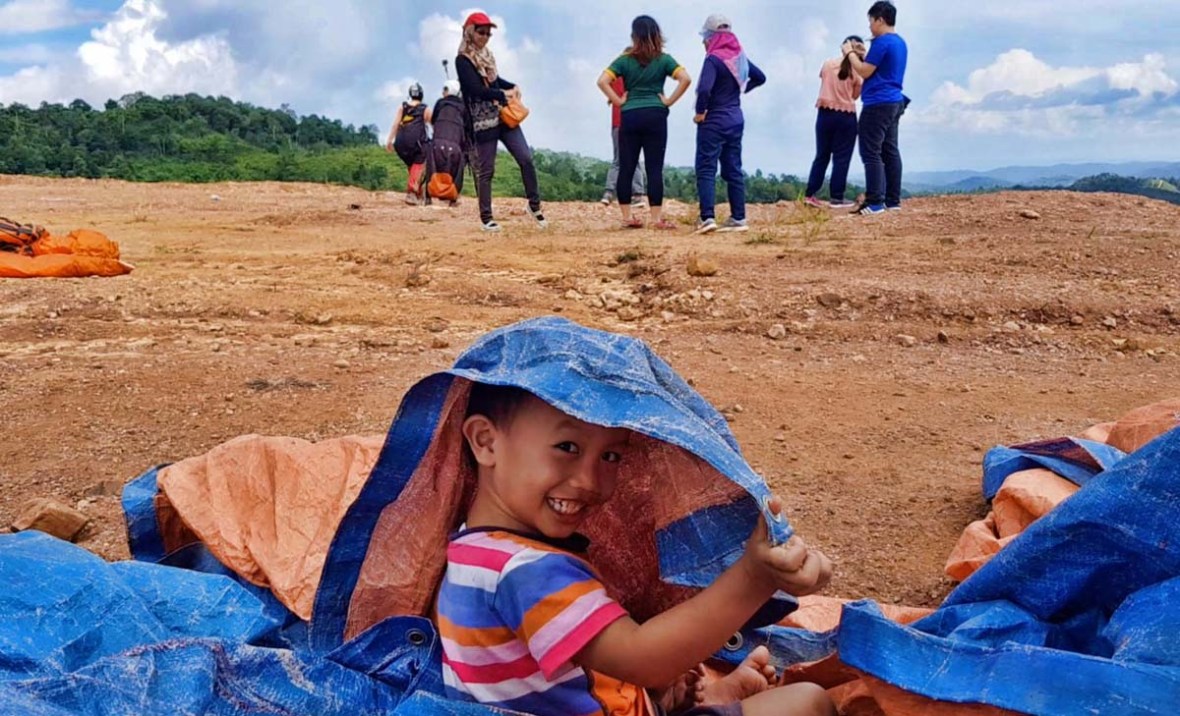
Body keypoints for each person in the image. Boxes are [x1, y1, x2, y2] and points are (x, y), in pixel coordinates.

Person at [437, 382, 838, 716]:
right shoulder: (528, 571)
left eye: (609, 455)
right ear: (485, 442)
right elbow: (643, 659)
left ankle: (689, 700)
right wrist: (756, 576)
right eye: (567, 447)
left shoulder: (473, 544)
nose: (590, 480)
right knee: (808, 703)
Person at [597, 16, 692, 230]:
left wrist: (619, 101)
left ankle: (627, 217)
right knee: (654, 168)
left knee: (627, 167)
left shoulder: (624, 60)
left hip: (629, 116)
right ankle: (657, 219)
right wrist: (668, 101)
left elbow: (602, 81)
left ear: (634, 36)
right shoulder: (664, 59)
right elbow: (685, 78)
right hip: (656, 116)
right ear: (657, 34)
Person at [455, 11, 546, 233]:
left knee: (525, 158)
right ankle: (486, 217)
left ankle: (534, 205)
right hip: (483, 120)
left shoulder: (487, 56)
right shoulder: (463, 59)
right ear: (470, 32)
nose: (485, 36)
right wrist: (500, 94)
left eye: (488, 33)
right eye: (481, 32)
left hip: (503, 116)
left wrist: (511, 86)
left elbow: (495, 81)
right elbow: (472, 89)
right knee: (486, 170)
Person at [692, 14, 766, 235]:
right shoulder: (739, 58)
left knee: (706, 168)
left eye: (705, 37)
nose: (704, 42)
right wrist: (741, 90)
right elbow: (760, 77)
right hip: (735, 118)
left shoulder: (713, 59)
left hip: (713, 119)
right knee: (733, 169)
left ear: (711, 36)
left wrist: (699, 112)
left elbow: (704, 89)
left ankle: (707, 217)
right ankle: (738, 217)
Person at [844, 1, 908, 215]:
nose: (870, 26)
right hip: (894, 101)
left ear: (880, 19)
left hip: (877, 103)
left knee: (870, 151)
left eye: (871, 21)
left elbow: (864, 71)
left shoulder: (882, 42)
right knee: (890, 150)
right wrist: (863, 53)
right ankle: (893, 200)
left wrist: (849, 53)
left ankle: (875, 202)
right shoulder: (899, 42)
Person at [803, 36, 865, 209]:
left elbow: (823, 79)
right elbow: (854, 96)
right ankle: (837, 197)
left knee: (821, 156)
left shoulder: (828, 64)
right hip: (846, 117)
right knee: (841, 158)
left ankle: (810, 194)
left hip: (824, 114)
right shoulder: (858, 71)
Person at [603, 71, 648, 209]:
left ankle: (608, 193)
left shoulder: (614, 76)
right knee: (634, 160)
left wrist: (612, 98)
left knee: (617, 159)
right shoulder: (640, 75)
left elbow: (605, 87)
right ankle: (638, 194)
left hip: (618, 122)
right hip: (635, 121)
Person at [385, 83, 432, 205]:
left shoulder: (403, 107)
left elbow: (395, 124)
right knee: (419, 161)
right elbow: (433, 123)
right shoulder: (425, 109)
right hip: (416, 143)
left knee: (413, 167)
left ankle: (418, 193)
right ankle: (412, 192)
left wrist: (389, 140)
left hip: (400, 144)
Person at [427, 80, 467, 207]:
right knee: (459, 166)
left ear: (448, 90)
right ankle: (453, 198)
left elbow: (433, 121)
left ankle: (427, 197)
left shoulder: (440, 103)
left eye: (444, 90)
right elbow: (468, 128)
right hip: (456, 147)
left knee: (432, 165)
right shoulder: (464, 107)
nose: (442, 92)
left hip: (436, 145)